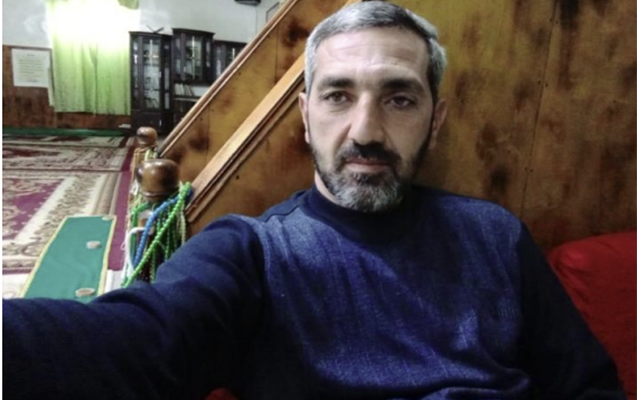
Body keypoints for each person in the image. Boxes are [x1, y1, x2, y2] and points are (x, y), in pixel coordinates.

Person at [3, 2, 626, 399]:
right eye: (337, 96)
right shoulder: (251, 251)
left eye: (399, 99)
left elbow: (589, 387)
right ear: (304, 116)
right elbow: (139, 342)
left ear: (435, 121)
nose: (366, 131)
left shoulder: (495, 235)